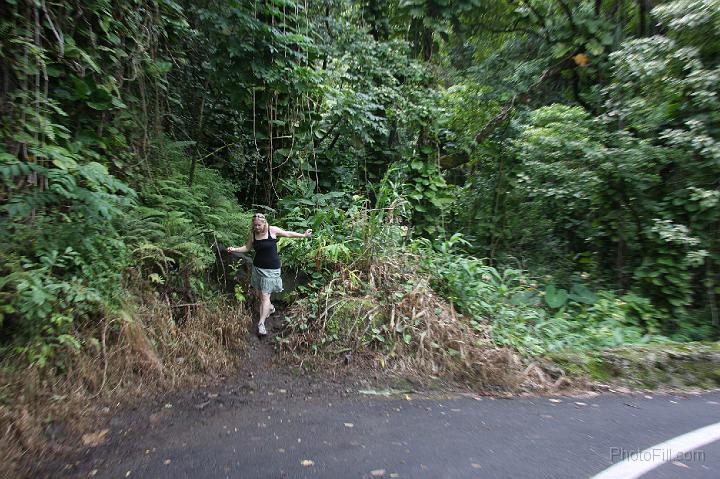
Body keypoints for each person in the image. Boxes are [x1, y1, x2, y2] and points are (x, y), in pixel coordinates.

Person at [227, 213, 312, 336]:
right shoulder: (253, 235)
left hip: (271, 270)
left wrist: (303, 235)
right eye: (255, 225)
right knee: (259, 295)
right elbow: (247, 248)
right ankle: (271, 308)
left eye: (259, 225)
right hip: (257, 269)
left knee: (265, 296)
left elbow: (288, 234)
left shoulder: (272, 230)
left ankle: (261, 324)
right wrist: (234, 249)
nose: (257, 227)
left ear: (264, 223)